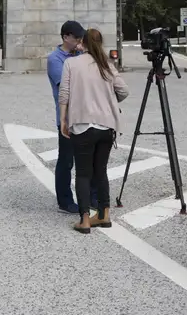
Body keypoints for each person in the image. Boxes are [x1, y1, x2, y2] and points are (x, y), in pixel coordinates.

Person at [58, 28, 129, 234]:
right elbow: (124, 90)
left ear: (83, 43)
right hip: (107, 125)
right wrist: (109, 103)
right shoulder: (107, 64)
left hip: (82, 124)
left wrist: (64, 119)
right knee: (101, 171)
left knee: (82, 173)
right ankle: (104, 214)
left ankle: (85, 219)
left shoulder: (71, 63)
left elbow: (64, 94)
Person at [47, 20, 98, 214]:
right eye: (76, 37)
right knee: (67, 160)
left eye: (81, 38)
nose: (79, 41)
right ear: (65, 37)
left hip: (86, 115)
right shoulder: (55, 59)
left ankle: (92, 197)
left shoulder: (79, 55)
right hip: (68, 117)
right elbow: (67, 87)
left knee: (89, 159)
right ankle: (65, 201)